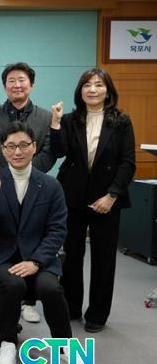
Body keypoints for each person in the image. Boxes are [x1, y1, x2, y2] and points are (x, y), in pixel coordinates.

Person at [0, 121, 95, 364]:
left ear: (34, 147)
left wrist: (36, 261)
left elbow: (57, 230)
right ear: (3, 150)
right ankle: (8, 345)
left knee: (51, 288)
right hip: (0, 257)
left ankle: (66, 349)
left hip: (39, 258)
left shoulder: (50, 185)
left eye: (23, 145)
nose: (17, 151)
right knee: (13, 284)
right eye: (11, 146)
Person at [50, 68, 136, 333]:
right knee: (71, 255)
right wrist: (55, 124)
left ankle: (97, 315)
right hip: (72, 197)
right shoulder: (70, 119)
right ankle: (71, 307)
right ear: (80, 91)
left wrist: (112, 196)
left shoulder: (121, 121)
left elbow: (127, 163)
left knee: (104, 258)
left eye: (98, 85)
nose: (92, 89)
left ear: (107, 91)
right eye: (87, 85)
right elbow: (59, 151)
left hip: (106, 198)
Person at [0, 62, 53, 323]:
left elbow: (49, 151)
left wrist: (27, 172)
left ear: (32, 84)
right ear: (4, 86)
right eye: (11, 81)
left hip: (32, 184)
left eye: (22, 80)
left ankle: (27, 301)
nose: (17, 85)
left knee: (28, 236)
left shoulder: (44, 117)